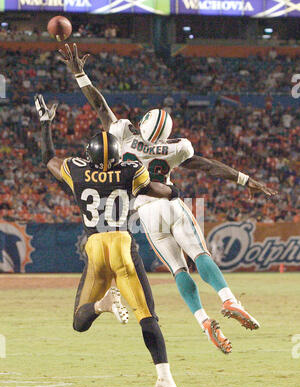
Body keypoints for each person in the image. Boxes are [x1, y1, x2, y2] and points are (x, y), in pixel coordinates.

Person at [58, 44, 277, 354]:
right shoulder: (178, 148)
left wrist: (79, 73)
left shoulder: (124, 133)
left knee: (178, 270)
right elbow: (206, 165)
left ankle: (203, 320)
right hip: (169, 202)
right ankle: (229, 299)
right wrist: (245, 180)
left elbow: (99, 104)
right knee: (200, 255)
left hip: (144, 212)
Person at [34, 93, 190, 387]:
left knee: (79, 321)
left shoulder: (76, 170)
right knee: (147, 315)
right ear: (118, 156)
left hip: (94, 247)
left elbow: (47, 158)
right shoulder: (130, 170)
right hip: (121, 243)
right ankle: (164, 377)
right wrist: (176, 191)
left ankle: (103, 305)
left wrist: (46, 124)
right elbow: (159, 190)